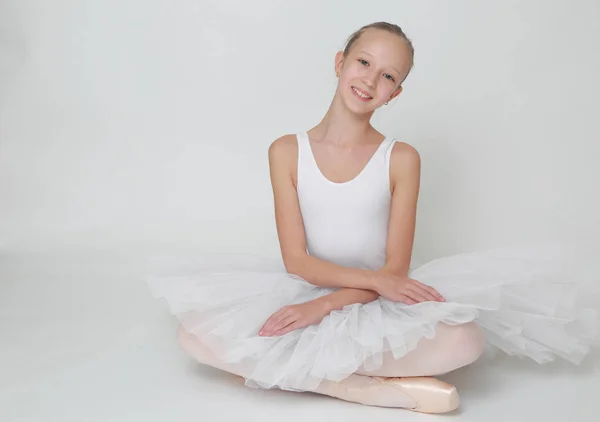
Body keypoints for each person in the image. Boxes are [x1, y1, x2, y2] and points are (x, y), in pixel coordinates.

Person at [147, 22, 597, 414]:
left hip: (371, 298)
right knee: (192, 336)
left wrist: (327, 305)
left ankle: (296, 374)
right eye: (363, 62)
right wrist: (309, 301)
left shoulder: (400, 158)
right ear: (340, 62)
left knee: (466, 340)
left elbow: (394, 273)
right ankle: (363, 390)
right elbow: (297, 262)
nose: (370, 80)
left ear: (395, 93)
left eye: (387, 76)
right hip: (304, 286)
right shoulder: (286, 151)